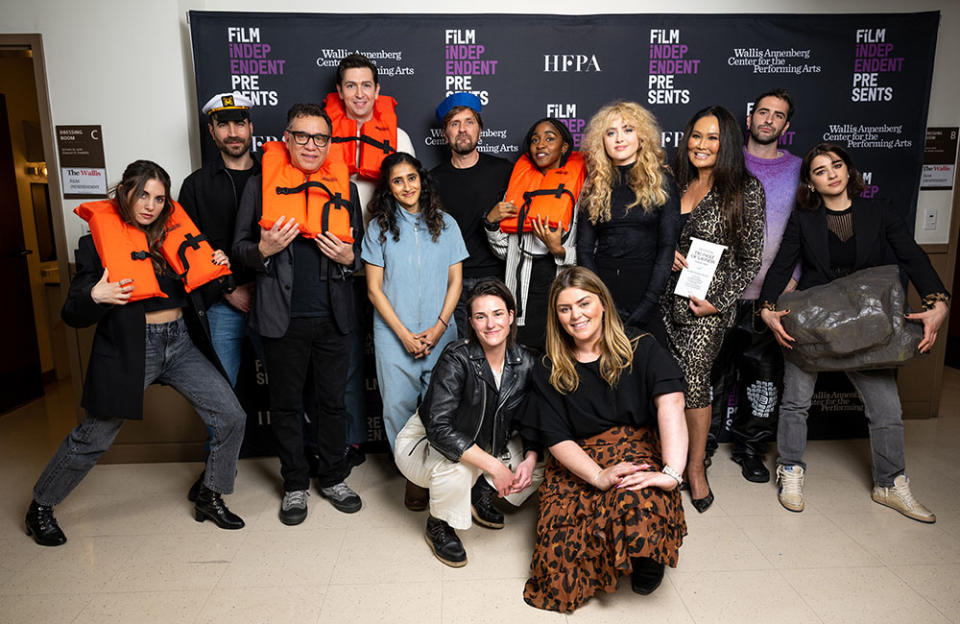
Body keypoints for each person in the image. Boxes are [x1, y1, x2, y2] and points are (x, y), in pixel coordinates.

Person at [25, 160, 246, 546]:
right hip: (132, 348)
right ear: (125, 191)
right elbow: (72, 312)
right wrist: (96, 295)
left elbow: (196, 293)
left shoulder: (175, 235)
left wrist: (217, 268)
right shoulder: (96, 241)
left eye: (160, 198)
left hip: (180, 343)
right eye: (143, 194)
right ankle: (41, 506)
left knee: (231, 416)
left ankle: (210, 494)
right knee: (94, 435)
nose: (151, 205)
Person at [759, 143, 949, 522]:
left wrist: (938, 299)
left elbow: (912, 255)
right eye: (820, 170)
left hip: (868, 325)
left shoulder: (880, 211)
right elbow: (781, 266)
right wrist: (766, 307)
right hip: (815, 324)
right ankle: (791, 469)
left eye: (837, 165)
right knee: (795, 401)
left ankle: (890, 483)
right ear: (810, 183)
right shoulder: (803, 219)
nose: (831, 173)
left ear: (849, 170)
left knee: (887, 408)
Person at [521, 266, 687, 613]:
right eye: (564, 309)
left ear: (603, 305)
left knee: (636, 493)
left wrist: (671, 473)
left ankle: (647, 555)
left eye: (584, 304)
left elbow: (671, 402)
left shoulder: (641, 346)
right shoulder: (550, 366)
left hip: (634, 444)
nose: (576, 315)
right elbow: (556, 437)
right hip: (578, 458)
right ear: (556, 317)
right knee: (558, 561)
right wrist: (597, 475)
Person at [233, 103, 364, 524]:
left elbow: (360, 253)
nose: (311, 145)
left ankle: (334, 477)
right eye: (302, 136)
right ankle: (294, 484)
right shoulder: (259, 187)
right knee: (286, 404)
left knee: (333, 403)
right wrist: (264, 250)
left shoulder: (344, 188)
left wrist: (350, 257)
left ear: (330, 143)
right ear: (286, 138)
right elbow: (239, 250)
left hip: (334, 316)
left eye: (320, 138)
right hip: (280, 317)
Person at [394, 279, 542, 567]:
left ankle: (480, 492)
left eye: (498, 314)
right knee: (459, 468)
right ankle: (439, 524)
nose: (490, 324)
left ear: (512, 316)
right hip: (424, 444)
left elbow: (536, 419)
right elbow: (439, 430)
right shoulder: (456, 357)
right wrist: (496, 467)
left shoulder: (527, 362)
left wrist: (532, 456)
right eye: (480, 316)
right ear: (471, 322)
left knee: (543, 460)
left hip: (485, 443)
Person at [663, 105, 765, 513]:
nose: (701, 145)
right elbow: (651, 229)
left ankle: (695, 468)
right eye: (696, 136)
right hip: (660, 297)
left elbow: (751, 258)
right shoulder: (673, 181)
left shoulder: (744, 189)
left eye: (712, 138)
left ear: (726, 145)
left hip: (705, 305)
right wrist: (663, 251)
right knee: (664, 382)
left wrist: (718, 302)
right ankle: (669, 458)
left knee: (694, 381)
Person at [324, 52, 416, 465]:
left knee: (397, 356)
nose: (359, 93)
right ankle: (351, 440)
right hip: (339, 262)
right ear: (339, 92)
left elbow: (413, 202)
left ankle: (412, 446)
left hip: (389, 266)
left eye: (366, 85)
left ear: (377, 90)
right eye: (350, 85)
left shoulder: (398, 136)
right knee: (343, 357)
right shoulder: (323, 136)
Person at [362, 152, 468, 507]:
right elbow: (374, 289)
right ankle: (413, 477)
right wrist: (405, 335)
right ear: (388, 189)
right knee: (398, 408)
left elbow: (456, 281)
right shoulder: (378, 228)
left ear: (422, 180)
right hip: (395, 336)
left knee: (440, 406)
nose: (407, 186)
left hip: (441, 334)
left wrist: (438, 329)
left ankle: (439, 470)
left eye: (411, 178)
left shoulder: (447, 223)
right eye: (397, 181)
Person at [708, 88, 802, 483]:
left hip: (770, 297)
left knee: (763, 380)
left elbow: (807, 229)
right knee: (711, 376)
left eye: (777, 115)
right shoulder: (724, 160)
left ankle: (751, 450)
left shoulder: (800, 168)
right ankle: (703, 447)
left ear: (786, 125)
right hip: (718, 294)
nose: (768, 120)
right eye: (762, 112)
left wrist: (794, 278)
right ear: (749, 119)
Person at [179, 91, 262, 503]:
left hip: (272, 303)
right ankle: (215, 477)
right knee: (221, 394)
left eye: (240, 122)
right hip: (221, 304)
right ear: (212, 131)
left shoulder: (274, 176)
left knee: (291, 386)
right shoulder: (195, 185)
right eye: (223, 124)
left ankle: (300, 470)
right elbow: (185, 247)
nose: (233, 131)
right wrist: (228, 290)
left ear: (251, 127)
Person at [576, 100, 680, 346]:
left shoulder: (661, 180)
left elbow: (667, 247)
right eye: (611, 133)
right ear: (602, 141)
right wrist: (601, 300)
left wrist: (648, 303)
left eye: (627, 130)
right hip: (604, 289)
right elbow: (584, 250)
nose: (619, 139)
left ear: (642, 137)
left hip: (648, 288)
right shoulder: (595, 184)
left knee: (653, 371)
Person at [485, 118, 582, 349]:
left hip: (562, 287)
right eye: (535, 140)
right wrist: (490, 222)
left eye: (550, 139)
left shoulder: (582, 192)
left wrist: (559, 249)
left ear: (564, 147)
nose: (541, 145)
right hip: (522, 292)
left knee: (562, 356)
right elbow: (502, 251)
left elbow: (592, 253)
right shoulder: (520, 188)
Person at [430, 92, 513, 337]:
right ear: (445, 134)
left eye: (469, 122)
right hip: (450, 282)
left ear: (480, 130)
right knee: (459, 354)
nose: (462, 130)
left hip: (495, 277)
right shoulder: (432, 180)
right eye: (455, 124)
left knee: (496, 350)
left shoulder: (504, 171)